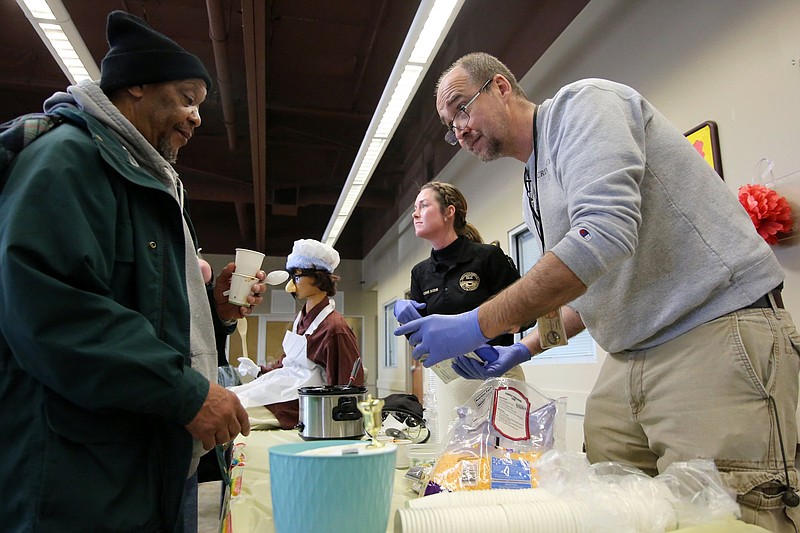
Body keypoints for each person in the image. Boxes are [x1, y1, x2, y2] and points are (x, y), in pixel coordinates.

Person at [394, 51, 800, 530]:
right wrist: (521, 349)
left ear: (502, 87)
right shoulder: (533, 186)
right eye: (449, 124)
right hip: (628, 354)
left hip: (710, 332)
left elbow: (603, 235)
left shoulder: (582, 107)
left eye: (462, 107)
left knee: (729, 514)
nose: (458, 129)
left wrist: (474, 323)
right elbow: (594, 289)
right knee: (611, 510)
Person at [0, 11, 264, 532]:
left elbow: (144, 309)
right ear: (136, 85)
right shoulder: (67, 161)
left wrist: (212, 314)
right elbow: (55, 311)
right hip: (81, 475)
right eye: (187, 97)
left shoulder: (148, 181)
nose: (196, 117)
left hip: (150, 456)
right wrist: (188, 392)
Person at [231, 239, 364, 429]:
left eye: (297, 276)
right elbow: (288, 364)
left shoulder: (335, 328)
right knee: (232, 395)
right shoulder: (300, 319)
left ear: (318, 278)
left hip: (298, 406)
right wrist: (258, 371)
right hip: (283, 389)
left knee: (234, 409)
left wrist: (340, 427)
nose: (291, 286)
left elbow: (348, 385)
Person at [393, 181, 521, 350]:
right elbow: (418, 336)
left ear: (449, 212)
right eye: (415, 208)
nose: (415, 215)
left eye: (423, 206)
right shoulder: (420, 273)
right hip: (449, 372)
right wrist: (406, 318)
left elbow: (524, 317)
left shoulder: (488, 257)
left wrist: (476, 326)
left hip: (495, 367)